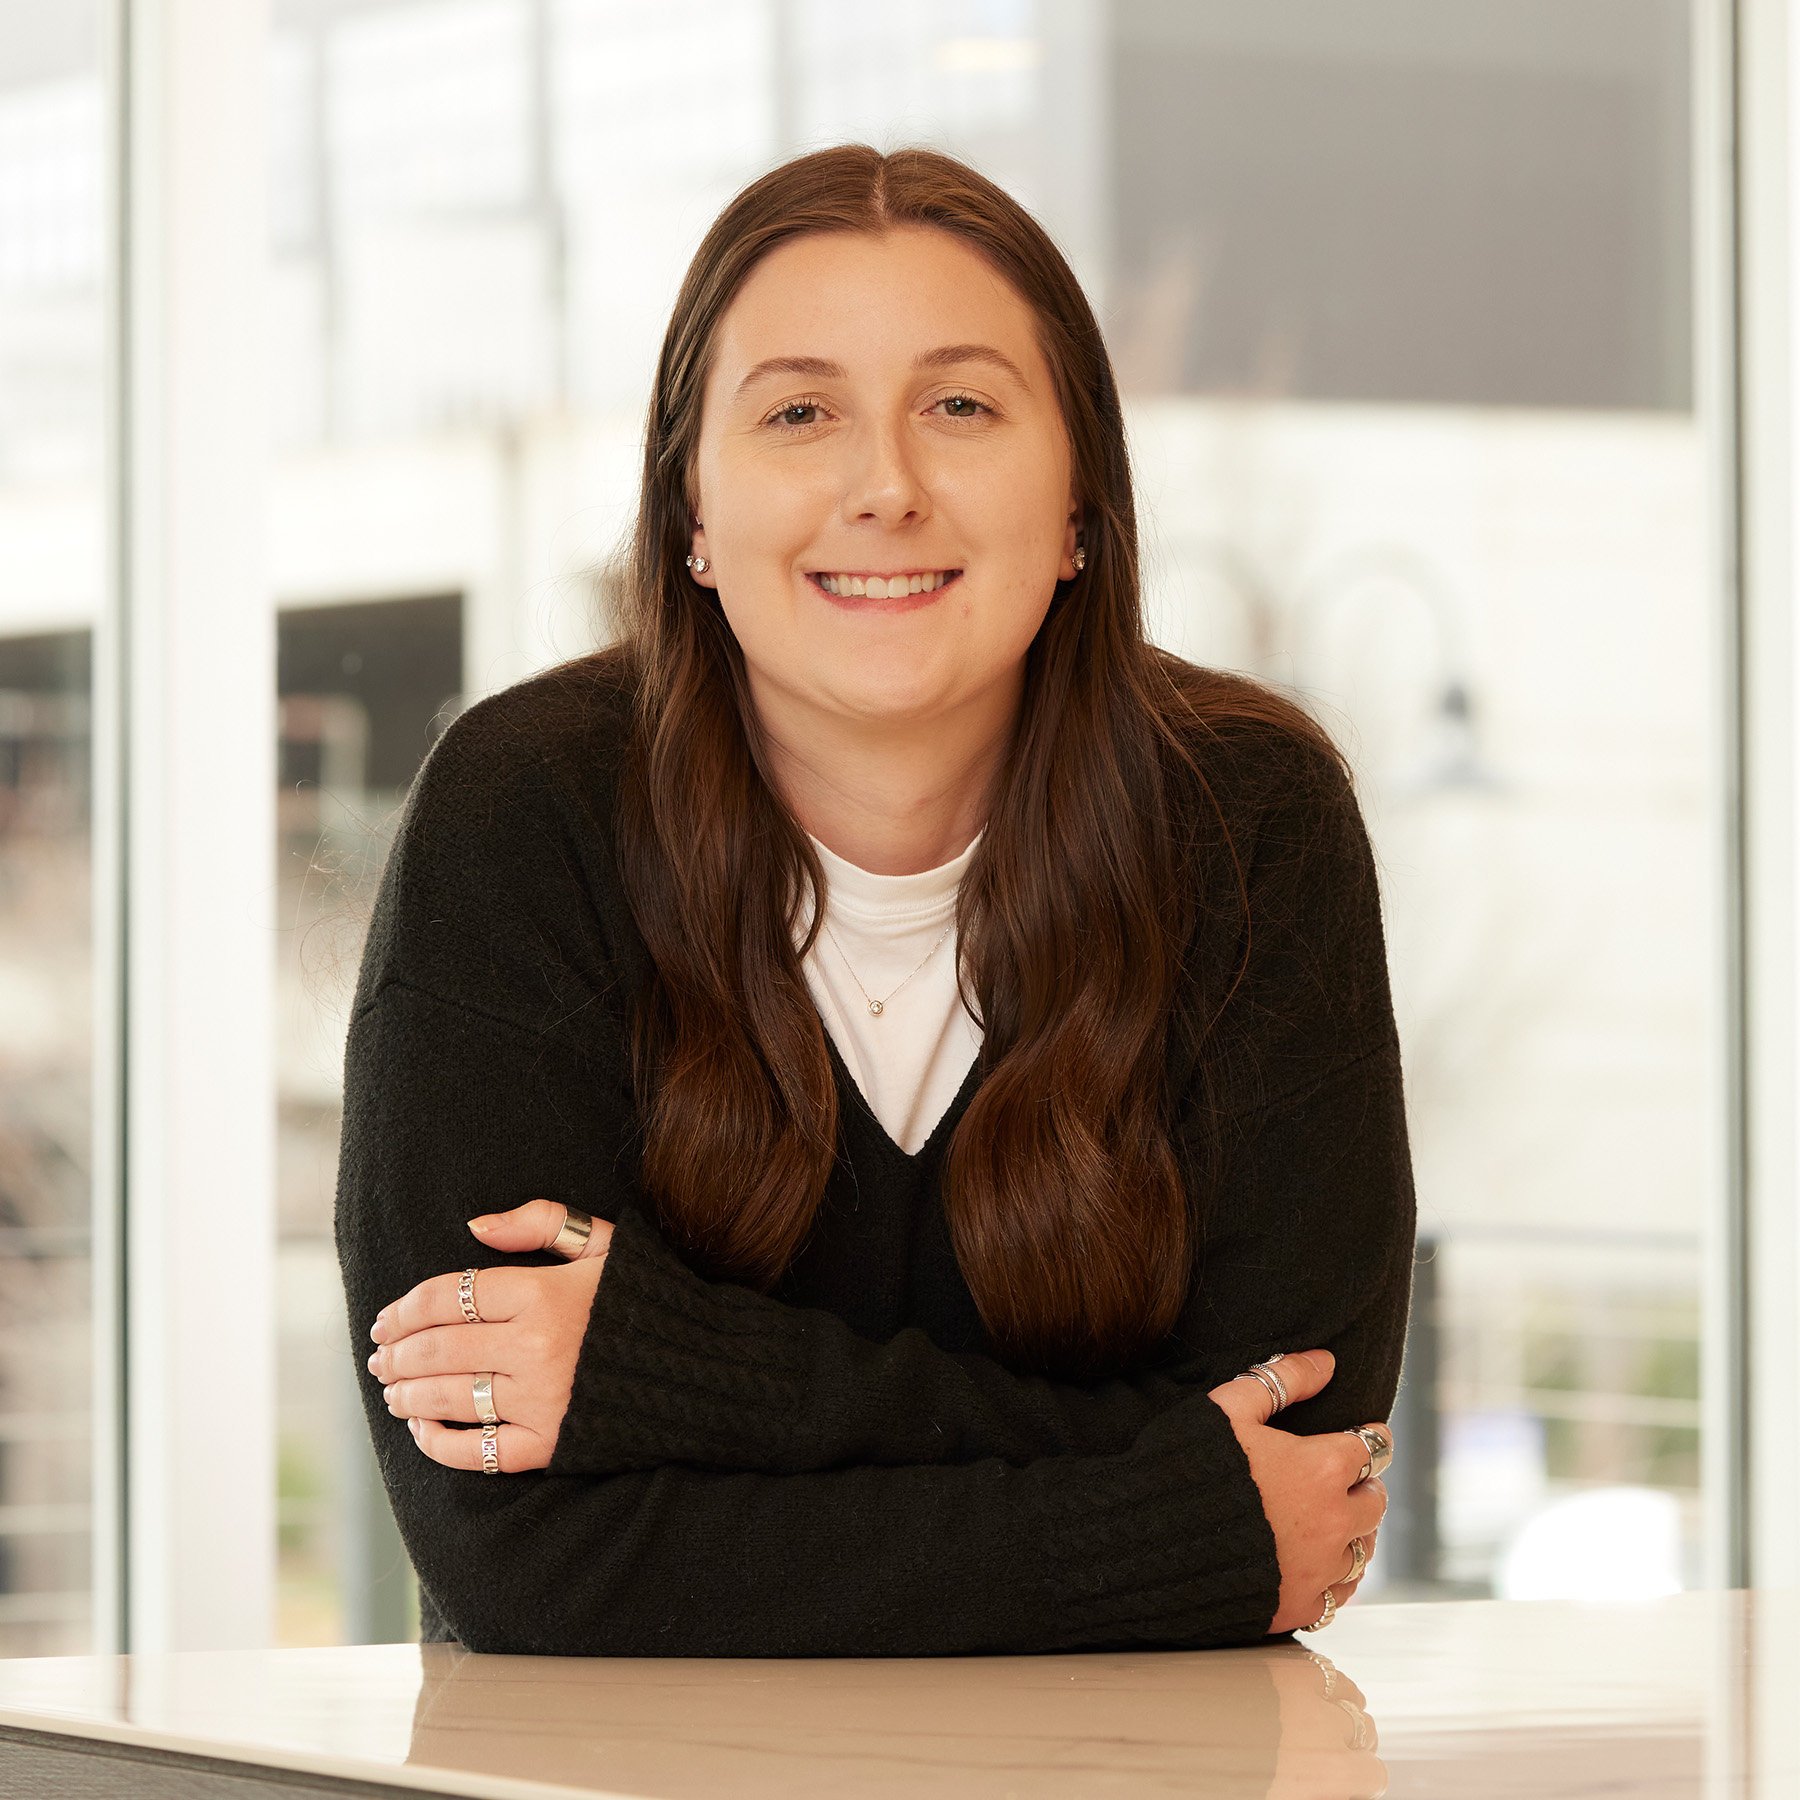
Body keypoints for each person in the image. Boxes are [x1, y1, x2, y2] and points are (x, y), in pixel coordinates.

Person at [337, 143, 1413, 1658]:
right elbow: (526, 1561)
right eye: (798, 413)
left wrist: (674, 1372)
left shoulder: (1256, 826)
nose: (887, 486)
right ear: (692, 515)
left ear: (1082, 507)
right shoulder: (523, 815)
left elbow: (1309, 1469)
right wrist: (1161, 1524)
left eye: (961, 405)